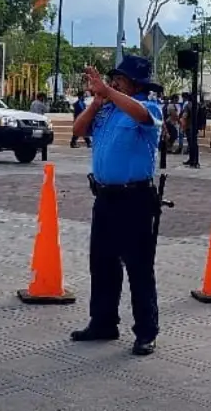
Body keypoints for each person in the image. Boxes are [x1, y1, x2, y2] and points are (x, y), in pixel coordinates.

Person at [69, 55, 164, 357]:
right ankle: (103, 321)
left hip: (134, 199)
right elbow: (78, 130)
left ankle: (146, 332)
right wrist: (97, 102)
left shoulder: (148, 106)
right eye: (113, 78)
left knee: (138, 266)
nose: (113, 81)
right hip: (105, 197)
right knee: (102, 262)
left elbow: (142, 117)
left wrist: (109, 94)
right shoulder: (106, 108)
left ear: (135, 83)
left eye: (119, 78)